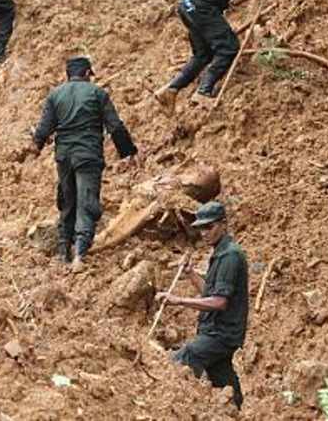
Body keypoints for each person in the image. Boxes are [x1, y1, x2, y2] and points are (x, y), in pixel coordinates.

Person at [31, 56, 137, 269]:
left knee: (67, 202)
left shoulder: (55, 95)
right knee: (87, 202)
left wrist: (37, 143)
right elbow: (114, 126)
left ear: (68, 75)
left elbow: (43, 130)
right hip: (88, 155)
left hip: (64, 157)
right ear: (87, 74)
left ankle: (63, 253)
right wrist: (128, 152)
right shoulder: (98, 93)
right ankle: (80, 253)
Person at [154, 0, 276, 112]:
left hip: (187, 4)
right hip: (201, 6)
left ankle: (170, 91)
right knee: (229, 48)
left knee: (203, 54)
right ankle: (203, 92)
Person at [157, 201, 249, 409]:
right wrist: (190, 273)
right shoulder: (220, 254)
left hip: (220, 334)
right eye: (201, 228)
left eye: (210, 227)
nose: (204, 233)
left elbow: (219, 302)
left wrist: (178, 301)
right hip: (216, 332)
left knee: (184, 358)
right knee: (225, 383)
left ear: (224, 224)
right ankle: (237, 411)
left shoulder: (230, 256)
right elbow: (210, 292)